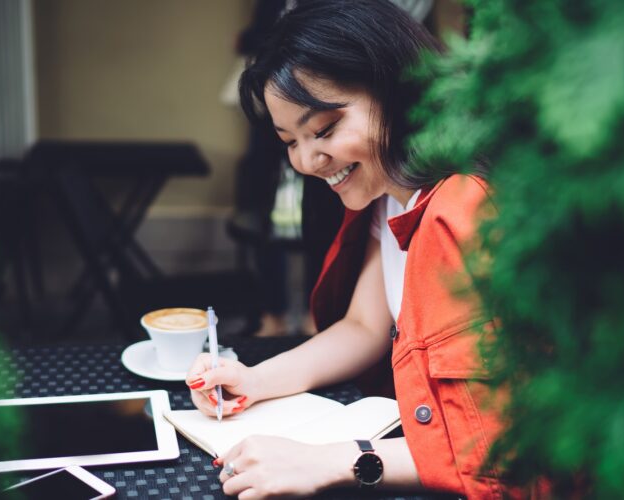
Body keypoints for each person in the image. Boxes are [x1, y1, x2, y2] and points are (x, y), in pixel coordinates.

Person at [186, 0, 508, 497]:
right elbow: (364, 327)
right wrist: (252, 380)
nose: (308, 160)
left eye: (324, 130)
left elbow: (493, 449)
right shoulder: (388, 197)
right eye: (289, 140)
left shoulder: (460, 208)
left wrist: (334, 461)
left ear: (396, 91)